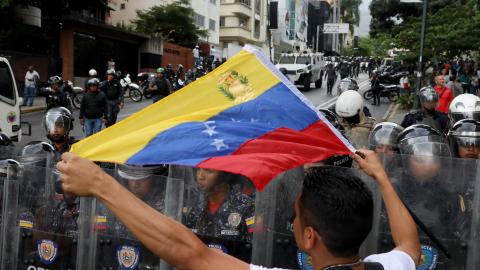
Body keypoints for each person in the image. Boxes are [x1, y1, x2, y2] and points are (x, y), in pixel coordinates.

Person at [56, 149, 421, 270]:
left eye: (297, 216)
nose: (293, 220)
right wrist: (382, 178)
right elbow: (410, 245)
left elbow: (191, 254)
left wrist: (101, 185)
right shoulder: (389, 265)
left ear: (309, 237)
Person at [184, 168, 254, 243]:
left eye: (209, 170)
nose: (200, 176)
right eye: (198, 169)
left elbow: (255, 245)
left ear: (224, 175)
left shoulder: (246, 206)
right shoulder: (193, 205)